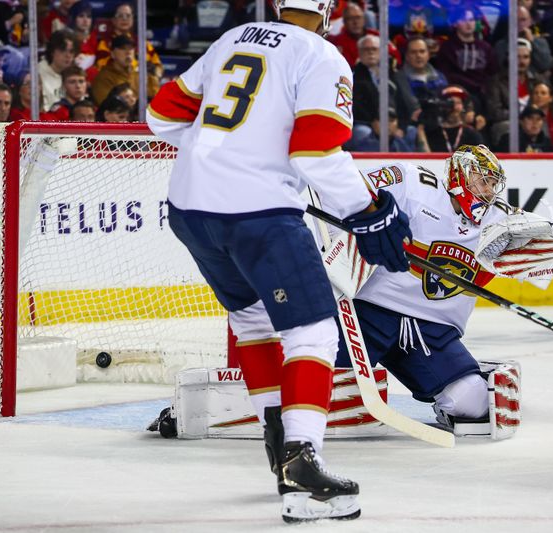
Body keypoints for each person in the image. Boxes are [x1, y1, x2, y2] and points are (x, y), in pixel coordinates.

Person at [145, 0, 412, 522]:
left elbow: (160, 117)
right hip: (258, 216)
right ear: (328, 8)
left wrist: (230, 157)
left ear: (277, 3)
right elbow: (315, 153)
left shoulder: (233, 37)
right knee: (313, 332)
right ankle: (301, 462)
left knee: (252, 320)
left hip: (190, 208)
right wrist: (369, 209)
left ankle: (276, 433)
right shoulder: (324, 55)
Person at [329, 146, 553, 436]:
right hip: (367, 315)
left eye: (494, 184)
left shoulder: (499, 219)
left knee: (474, 401)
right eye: (482, 180)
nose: (488, 190)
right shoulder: (415, 184)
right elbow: (355, 188)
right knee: (325, 391)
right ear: (459, 175)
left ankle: (462, 371)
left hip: (431, 330)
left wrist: (548, 241)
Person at [90, 34, 137, 108]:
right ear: (112, 54)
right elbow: (108, 107)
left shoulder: (140, 75)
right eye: (122, 48)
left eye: (131, 48)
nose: (128, 52)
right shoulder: (104, 78)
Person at [38, 29, 79, 111]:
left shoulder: (74, 74)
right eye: (63, 50)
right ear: (52, 51)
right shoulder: (38, 73)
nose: (68, 55)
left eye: (71, 51)